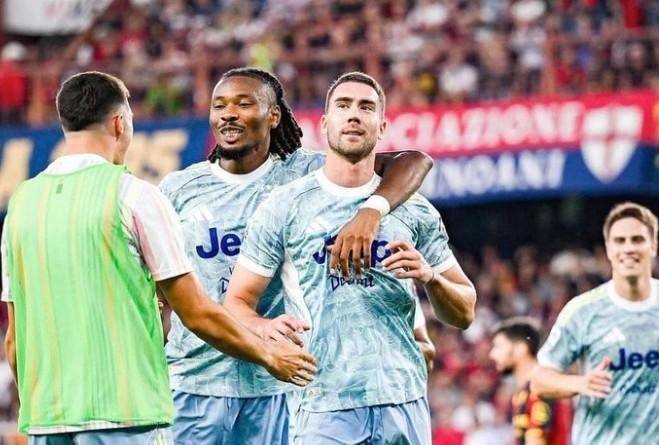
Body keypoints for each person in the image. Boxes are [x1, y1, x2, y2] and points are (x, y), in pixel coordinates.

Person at [1, 71, 316, 444]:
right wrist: (269, 354)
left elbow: (14, 340)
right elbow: (195, 312)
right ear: (120, 123)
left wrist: (40, 407)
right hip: (124, 413)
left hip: (48, 418)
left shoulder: (22, 204)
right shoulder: (135, 196)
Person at [158, 67, 435, 444]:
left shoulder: (307, 173)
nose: (229, 114)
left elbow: (413, 161)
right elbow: (162, 287)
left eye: (243, 104)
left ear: (273, 115)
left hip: (281, 386)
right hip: (194, 382)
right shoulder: (179, 189)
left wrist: (372, 211)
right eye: (219, 106)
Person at [224, 71, 477, 444]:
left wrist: (430, 278)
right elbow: (236, 302)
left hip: (402, 401)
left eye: (366, 107)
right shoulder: (284, 206)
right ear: (325, 124)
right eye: (343, 106)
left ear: (382, 126)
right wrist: (263, 329)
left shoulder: (414, 209)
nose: (354, 115)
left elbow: (465, 311)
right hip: (322, 405)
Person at [531, 202, 659, 444]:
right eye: (620, 241)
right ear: (608, 249)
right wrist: (580, 383)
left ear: (653, 245)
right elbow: (540, 379)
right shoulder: (582, 311)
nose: (628, 248)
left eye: (637, 239)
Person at [489, 316, 571, 445]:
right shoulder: (522, 393)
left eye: (498, 346)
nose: (492, 354)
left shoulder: (542, 388)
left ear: (521, 348)